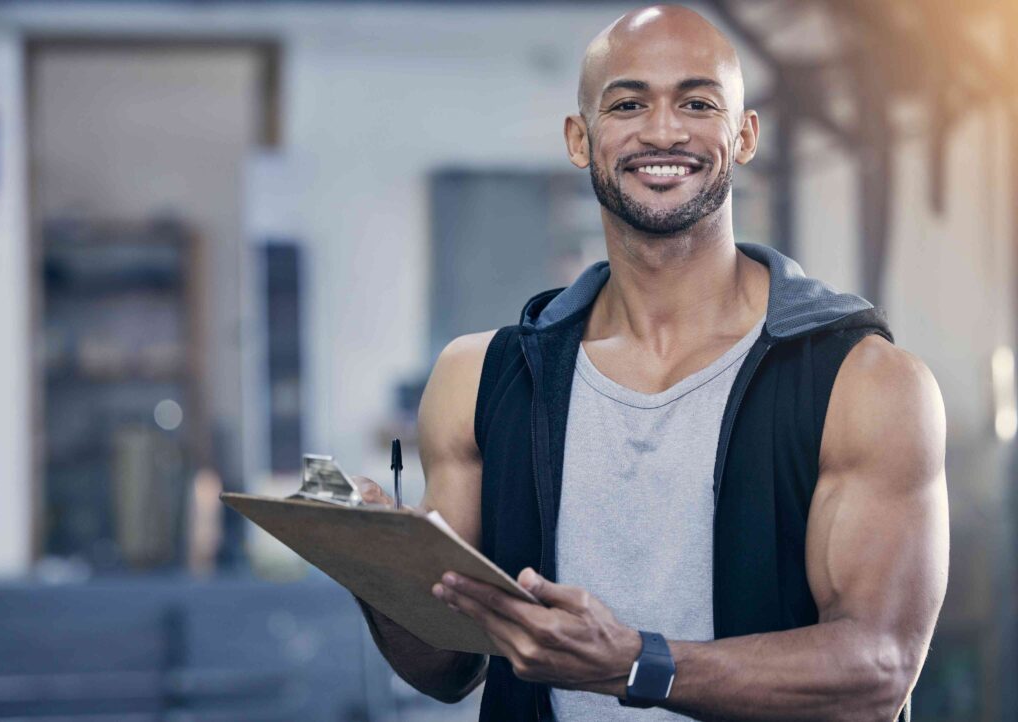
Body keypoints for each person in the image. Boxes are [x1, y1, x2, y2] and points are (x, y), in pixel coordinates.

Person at [353, 5, 948, 721]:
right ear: (581, 138)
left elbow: (878, 673)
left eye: (698, 103)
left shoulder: (867, 384)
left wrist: (639, 664)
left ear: (745, 135)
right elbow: (447, 668)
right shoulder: (478, 381)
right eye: (629, 104)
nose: (663, 131)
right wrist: (377, 569)